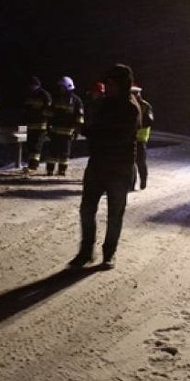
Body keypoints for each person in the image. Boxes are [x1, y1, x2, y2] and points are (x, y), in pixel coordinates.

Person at [69, 63, 141, 269]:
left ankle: (109, 254)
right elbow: (97, 128)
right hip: (97, 165)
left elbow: (114, 136)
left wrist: (90, 131)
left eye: (110, 83)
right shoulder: (104, 104)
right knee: (86, 209)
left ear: (121, 84)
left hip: (119, 167)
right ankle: (85, 252)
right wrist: (87, 129)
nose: (107, 86)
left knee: (114, 214)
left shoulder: (130, 107)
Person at [44, 76, 84, 176]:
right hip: (55, 131)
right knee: (52, 152)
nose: (61, 89)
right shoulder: (55, 98)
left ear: (68, 87)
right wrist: (47, 127)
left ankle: (62, 170)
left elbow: (79, 117)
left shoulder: (76, 101)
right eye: (60, 87)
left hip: (68, 132)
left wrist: (76, 130)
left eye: (63, 87)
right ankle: (50, 170)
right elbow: (49, 114)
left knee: (65, 153)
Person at [22, 76, 52, 174]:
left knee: (36, 147)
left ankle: (33, 167)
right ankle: (31, 165)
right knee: (31, 147)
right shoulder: (29, 94)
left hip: (41, 126)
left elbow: (49, 111)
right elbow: (26, 110)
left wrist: (42, 115)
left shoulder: (44, 95)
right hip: (31, 126)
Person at [130, 84, 154, 190]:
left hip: (140, 138)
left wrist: (138, 125)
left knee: (140, 162)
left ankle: (143, 179)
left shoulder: (145, 106)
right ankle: (130, 184)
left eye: (135, 94)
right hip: (130, 138)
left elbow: (149, 121)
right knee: (130, 163)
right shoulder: (128, 105)